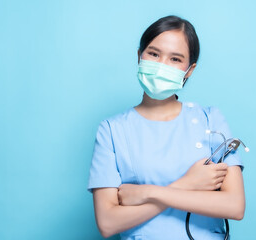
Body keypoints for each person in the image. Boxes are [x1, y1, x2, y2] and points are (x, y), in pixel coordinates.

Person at [87, 15, 245, 240]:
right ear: (139, 56)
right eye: (153, 54)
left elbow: (234, 206)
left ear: (189, 70)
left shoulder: (210, 119)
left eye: (175, 59)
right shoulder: (112, 130)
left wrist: (149, 193)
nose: (161, 65)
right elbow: (108, 223)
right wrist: (188, 184)